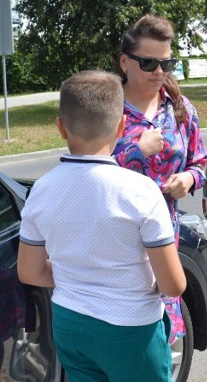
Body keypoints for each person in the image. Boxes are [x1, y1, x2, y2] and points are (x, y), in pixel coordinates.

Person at [17, 70, 186, 381]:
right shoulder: (141, 190)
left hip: (69, 323)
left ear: (60, 127)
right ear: (122, 126)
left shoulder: (41, 189)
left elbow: (29, 271)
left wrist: (75, 272)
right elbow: (173, 284)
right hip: (131, 327)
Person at [113, 14, 207, 344]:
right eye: (149, 63)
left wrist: (189, 179)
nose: (159, 72)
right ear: (125, 61)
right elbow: (83, 171)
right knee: (123, 344)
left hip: (165, 239)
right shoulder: (106, 110)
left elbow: (200, 162)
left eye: (166, 63)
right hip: (116, 246)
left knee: (162, 342)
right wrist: (136, 150)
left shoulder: (179, 108)